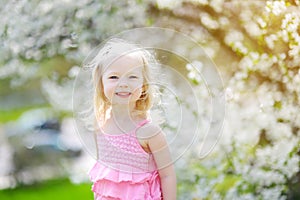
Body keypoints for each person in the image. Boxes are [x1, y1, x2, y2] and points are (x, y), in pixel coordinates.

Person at [87, 38, 177, 200]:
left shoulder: (149, 132)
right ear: (101, 84)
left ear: (144, 86)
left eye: (132, 77)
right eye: (114, 77)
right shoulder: (100, 126)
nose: (123, 84)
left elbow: (167, 176)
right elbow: (103, 180)